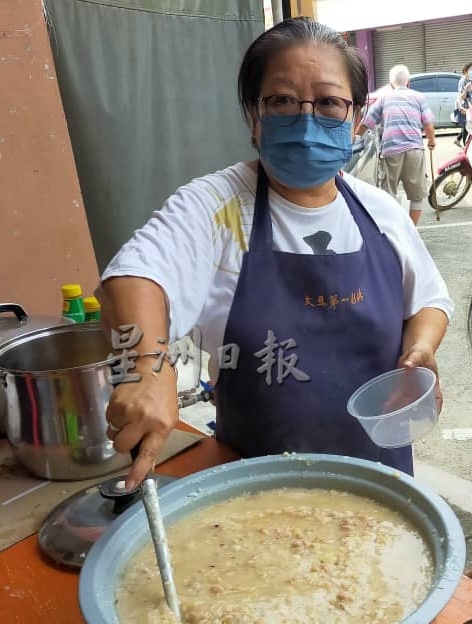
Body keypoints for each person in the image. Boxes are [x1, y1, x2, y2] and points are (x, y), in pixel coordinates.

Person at [97, 18, 453, 487]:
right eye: (282, 101)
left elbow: (428, 299)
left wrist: (421, 349)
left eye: (328, 102)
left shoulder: (380, 210)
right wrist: (146, 366)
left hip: (380, 484)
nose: (306, 120)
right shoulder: (218, 205)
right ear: (253, 115)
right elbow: (134, 274)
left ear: (357, 117)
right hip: (254, 489)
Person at [356, 64, 436, 226]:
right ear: (408, 83)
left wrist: (354, 137)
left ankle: (393, 228)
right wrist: (432, 141)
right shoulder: (418, 97)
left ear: (391, 84)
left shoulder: (385, 98)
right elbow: (428, 124)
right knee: (416, 196)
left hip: (391, 151)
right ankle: (411, 229)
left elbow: (368, 123)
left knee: (388, 193)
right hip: (414, 149)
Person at [454, 63, 472, 148]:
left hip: (470, 107)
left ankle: (458, 139)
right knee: (466, 125)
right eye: (470, 70)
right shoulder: (462, 81)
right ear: (465, 71)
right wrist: (466, 89)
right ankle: (465, 146)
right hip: (465, 107)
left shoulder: (471, 80)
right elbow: (461, 97)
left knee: (469, 126)